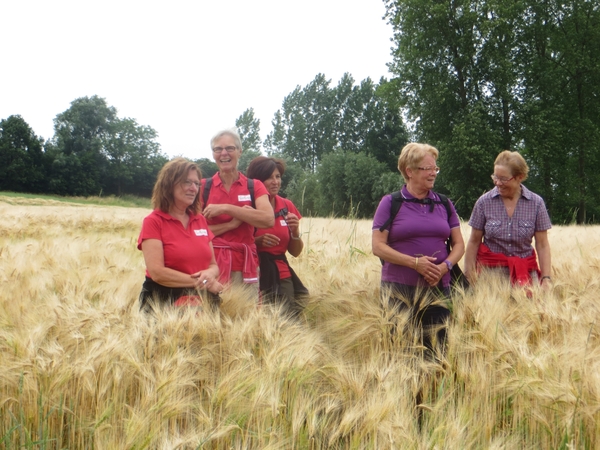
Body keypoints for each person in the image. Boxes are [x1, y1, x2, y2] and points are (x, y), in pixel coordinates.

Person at [372, 143, 465, 355]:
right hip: (399, 290)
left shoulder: (444, 204)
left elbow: (459, 244)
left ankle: (431, 389)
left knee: (437, 352)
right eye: (427, 168)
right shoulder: (391, 203)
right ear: (410, 171)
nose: (433, 173)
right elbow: (378, 247)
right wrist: (415, 264)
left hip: (437, 288)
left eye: (435, 168)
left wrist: (444, 267)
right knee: (398, 350)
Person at [138, 158, 223, 313]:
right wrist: (205, 282)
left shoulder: (200, 220)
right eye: (187, 182)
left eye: (196, 183)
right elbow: (158, 273)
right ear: (169, 184)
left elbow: (213, 265)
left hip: (202, 301)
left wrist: (210, 275)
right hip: (163, 302)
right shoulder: (153, 222)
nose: (193, 188)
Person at [464, 150, 552, 288]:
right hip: (490, 278)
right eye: (495, 177)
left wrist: (546, 278)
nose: (498, 183)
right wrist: (469, 276)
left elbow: (542, 244)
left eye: (504, 179)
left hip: (526, 275)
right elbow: (474, 241)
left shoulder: (536, 203)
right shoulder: (483, 202)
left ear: (519, 177)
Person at [201, 129, 274, 294]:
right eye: (218, 149)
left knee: (246, 315)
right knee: (209, 315)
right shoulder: (202, 187)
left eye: (230, 148)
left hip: (245, 266)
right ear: (213, 154)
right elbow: (195, 232)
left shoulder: (254, 186)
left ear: (240, 152)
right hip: (210, 266)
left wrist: (227, 208)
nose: (223, 153)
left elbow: (268, 219)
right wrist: (233, 224)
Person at [246, 156, 308, 317]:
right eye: (269, 177)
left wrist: (295, 232)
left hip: (281, 273)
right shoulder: (247, 207)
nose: (275, 182)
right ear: (257, 181)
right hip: (253, 274)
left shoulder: (287, 206)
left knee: (289, 320)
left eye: (278, 177)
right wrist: (256, 242)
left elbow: (295, 252)